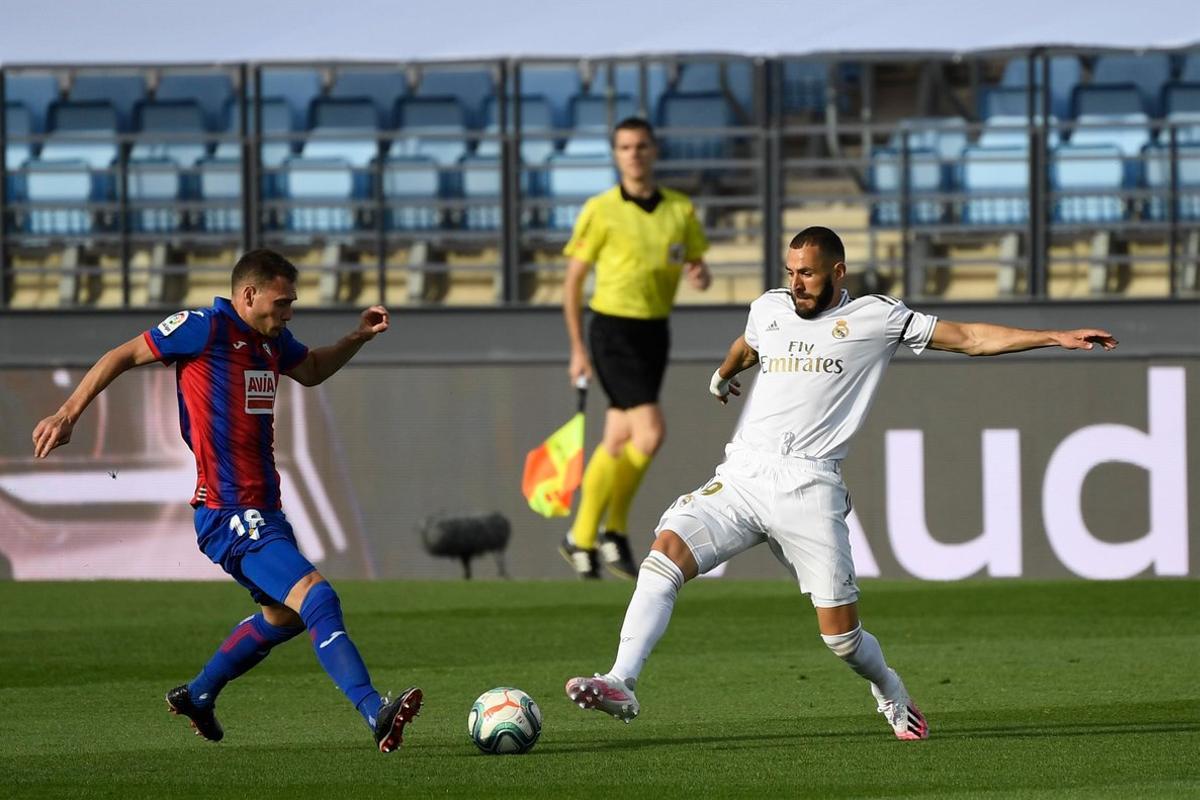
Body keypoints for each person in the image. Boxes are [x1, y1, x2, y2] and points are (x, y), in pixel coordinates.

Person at [565, 226, 1119, 739]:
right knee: (664, 556)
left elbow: (971, 336)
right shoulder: (770, 308)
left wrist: (1053, 336)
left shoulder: (878, 318)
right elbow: (750, 342)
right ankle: (622, 681)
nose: (795, 283)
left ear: (838, 272)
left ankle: (891, 691)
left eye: (806, 272)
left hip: (809, 487)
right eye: (790, 271)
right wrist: (722, 373)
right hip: (743, 474)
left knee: (842, 640)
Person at [31, 249, 422, 753]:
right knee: (318, 597)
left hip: (265, 509)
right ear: (248, 294)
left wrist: (357, 337)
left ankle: (198, 694)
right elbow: (122, 355)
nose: (289, 313)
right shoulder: (203, 327)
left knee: (286, 616)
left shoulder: (272, 343)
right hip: (228, 509)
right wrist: (67, 415)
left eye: (292, 304)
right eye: (282, 303)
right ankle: (375, 712)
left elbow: (313, 369)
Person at [560, 116, 712, 580]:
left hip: (653, 331)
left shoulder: (679, 210)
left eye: (641, 146)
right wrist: (576, 348)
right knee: (650, 432)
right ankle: (610, 531)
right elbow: (572, 283)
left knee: (618, 439)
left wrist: (698, 274)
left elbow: (696, 264)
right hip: (612, 329)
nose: (634, 154)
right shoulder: (601, 209)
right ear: (616, 154)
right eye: (625, 147)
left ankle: (581, 539)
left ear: (654, 151)